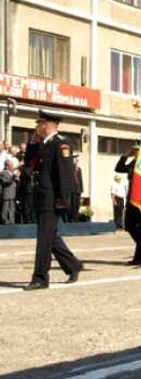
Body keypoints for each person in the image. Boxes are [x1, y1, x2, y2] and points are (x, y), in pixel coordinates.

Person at [23, 110, 83, 290]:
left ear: (47, 125)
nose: (37, 127)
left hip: (52, 200)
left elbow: (65, 175)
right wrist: (33, 142)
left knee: (44, 239)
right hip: (41, 198)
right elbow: (28, 163)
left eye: (39, 124)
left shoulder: (61, 144)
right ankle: (73, 265)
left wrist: (62, 200)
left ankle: (40, 278)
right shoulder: (43, 144)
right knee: (51, 237)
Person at [115, 141, 141, 266]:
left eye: (137, 150)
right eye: (134, 150)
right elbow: (119, 168)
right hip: (132, 199)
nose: (135, 152)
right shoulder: (134, 163)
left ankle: (138, 258)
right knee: (129, 226)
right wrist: (126, 155)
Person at [0, 159, 18, 224]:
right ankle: (4, 220)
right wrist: (12, 178)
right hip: (7, 193)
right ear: (7, 166)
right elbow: (5, 182)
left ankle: (12, 221)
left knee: (12, 209)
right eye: (11, 165)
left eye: (12, 165)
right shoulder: (3, 173)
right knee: (5, 208)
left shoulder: (12, 173)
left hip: (13, 193)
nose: (12, 167)